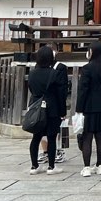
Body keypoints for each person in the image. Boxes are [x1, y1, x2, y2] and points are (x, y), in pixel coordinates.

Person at [26, 46, 68, 175]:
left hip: (37, 107)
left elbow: (32, 90)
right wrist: (62, 111)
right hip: (52, 108)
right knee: (51, 137)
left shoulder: (32, 73)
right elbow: (61, 94)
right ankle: (51, 166)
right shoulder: (54, 74)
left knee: (36, 137)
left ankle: (34, 166)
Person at [76, 42, 101, 176]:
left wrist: (79, 108)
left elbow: (83, 90)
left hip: (89, 106)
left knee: (87, 136)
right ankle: (100, 165)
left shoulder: (87, 68)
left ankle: (86, 167)